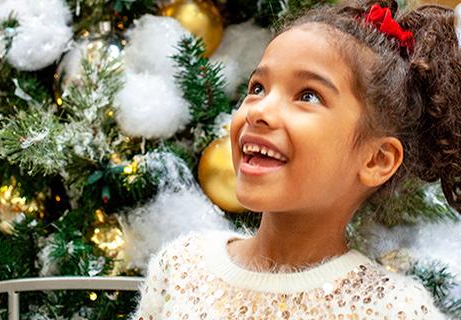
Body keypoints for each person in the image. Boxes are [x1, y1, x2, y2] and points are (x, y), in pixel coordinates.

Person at [130, 0, 461, 318]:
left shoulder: (393, 309)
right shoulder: (181, 267)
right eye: (258, 88)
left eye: (308, 95)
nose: (259, 110)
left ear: (376, 159)